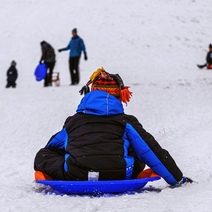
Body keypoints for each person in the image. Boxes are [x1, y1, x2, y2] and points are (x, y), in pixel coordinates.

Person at [34, 67, 192, 187]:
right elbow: (152, 151)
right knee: (137, 149)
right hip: (121, 173)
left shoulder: (74, 121)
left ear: (90, 93)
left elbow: (52, 147)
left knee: (44, 154)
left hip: (77, 173)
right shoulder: (126, 121)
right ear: (119, 96)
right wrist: (177, 179)